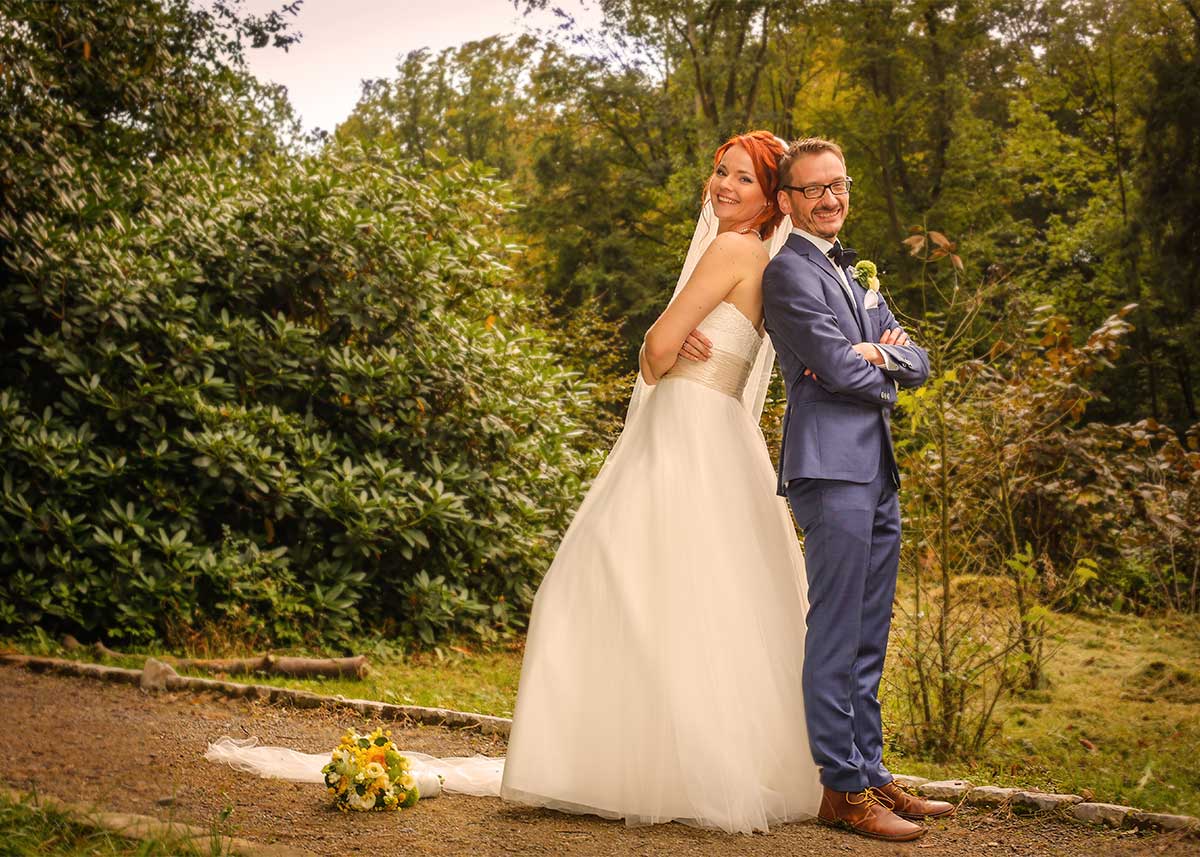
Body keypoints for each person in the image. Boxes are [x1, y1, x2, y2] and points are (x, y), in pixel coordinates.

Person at [206, 131, 823, 835]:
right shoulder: (770, 263)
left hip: (684, 433)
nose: (722, 186)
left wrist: (662, 342)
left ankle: (618, 765)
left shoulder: (730, 249)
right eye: (719, 171)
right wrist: (669, 346)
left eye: (742, 178)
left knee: (597, 585)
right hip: (725, 437)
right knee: (705, 599)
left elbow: (654, 354)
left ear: (770, 198)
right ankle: (701, 768)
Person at [761, 137, 949, 842]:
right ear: (787, 201)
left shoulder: (853, 268)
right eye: (813, 189)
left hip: (877, 467)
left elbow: (918, 359)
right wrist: (874, 361)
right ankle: (841, 790)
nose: (830, 199)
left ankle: (870, 770)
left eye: (837, 184)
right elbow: (840, 372)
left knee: (871, 631)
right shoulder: (788, 274)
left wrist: (875, 355)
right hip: (829, 467)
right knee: (838, 630)